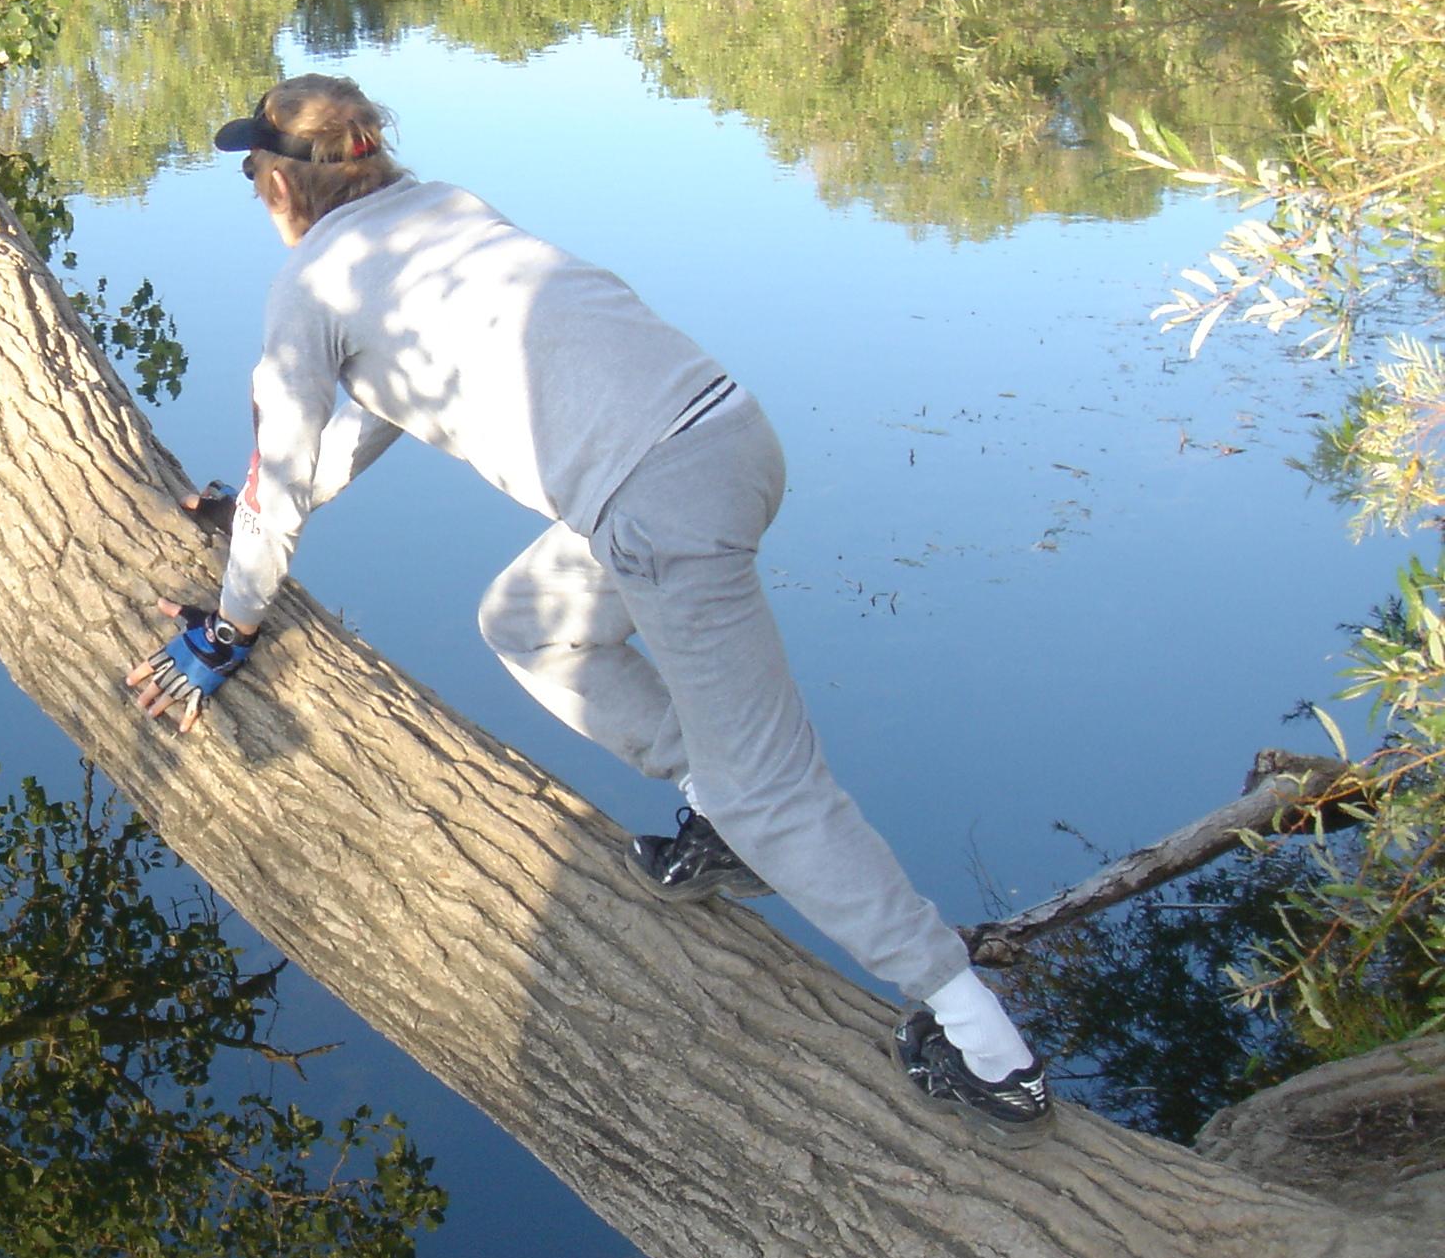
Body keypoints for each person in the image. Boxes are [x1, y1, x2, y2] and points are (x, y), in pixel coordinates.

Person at [124, 74, 1054, 1147]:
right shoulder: (441, 211)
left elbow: (280, 467)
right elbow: (380, 406)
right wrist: (250, 511)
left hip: (656, 504)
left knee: (779, 792)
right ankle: (719, 815)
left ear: (285, 183)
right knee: (530, 621)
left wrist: (234, 619)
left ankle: (984, 1038)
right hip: (724, 437)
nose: (255, 195)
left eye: (255, 176)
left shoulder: (308, 285)